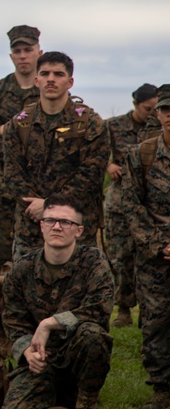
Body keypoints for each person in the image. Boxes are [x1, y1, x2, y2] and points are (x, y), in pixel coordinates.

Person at [1, 194, 114, 409]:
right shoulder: (22, 268)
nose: (57, 227)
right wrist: (27, 351)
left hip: (78, 358)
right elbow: (13, 320)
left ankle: (86, 399)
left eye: (66, 222)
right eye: (50, 220)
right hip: (40, 360)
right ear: (42, 226)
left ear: (78, 230)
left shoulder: (93, 261)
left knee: (92, 334)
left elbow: (100, 308)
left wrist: (49, 323)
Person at [2, 51, 109, 260]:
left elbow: (91, 175)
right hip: (32, 225)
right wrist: (39, 208)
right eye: (45, 74)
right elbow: (12, 174)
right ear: (36, 80)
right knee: (27, 288)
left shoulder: (90, 123)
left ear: (70, 82)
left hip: (74, 226)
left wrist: (50, 207)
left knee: (76, 289)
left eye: (58, 74)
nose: (51, 79)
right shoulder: (19, 124)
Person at [0, 25, 42, 273]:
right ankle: (1, 310)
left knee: (42, 254)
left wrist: (8, 130)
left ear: (39, 51)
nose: (23, 55)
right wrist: (27, 135)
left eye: (28, 49)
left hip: (41, 187)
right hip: (3, 188)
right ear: (11, 56)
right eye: (18, 50)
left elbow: (59, 140)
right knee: (2, 257)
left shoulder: (51, 91)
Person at [122, 83, 170, 409]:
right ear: (158, 113)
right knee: (156, 322)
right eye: (166, 110)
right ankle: (163, 388)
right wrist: (160, 244)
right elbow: (131, 206)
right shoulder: (141, 154)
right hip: (155, 257)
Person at [103, 82, 159, 327]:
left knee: (150, 255)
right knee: (120, 256)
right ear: (135, 104)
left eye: (157, 109)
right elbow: (95, 151)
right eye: (148, 109)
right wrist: (108, 165)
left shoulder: (159, 129)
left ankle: (150, 311)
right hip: (120, 202)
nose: (152, 114)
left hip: (150, 200)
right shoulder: (113, 126)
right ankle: (123, 308)